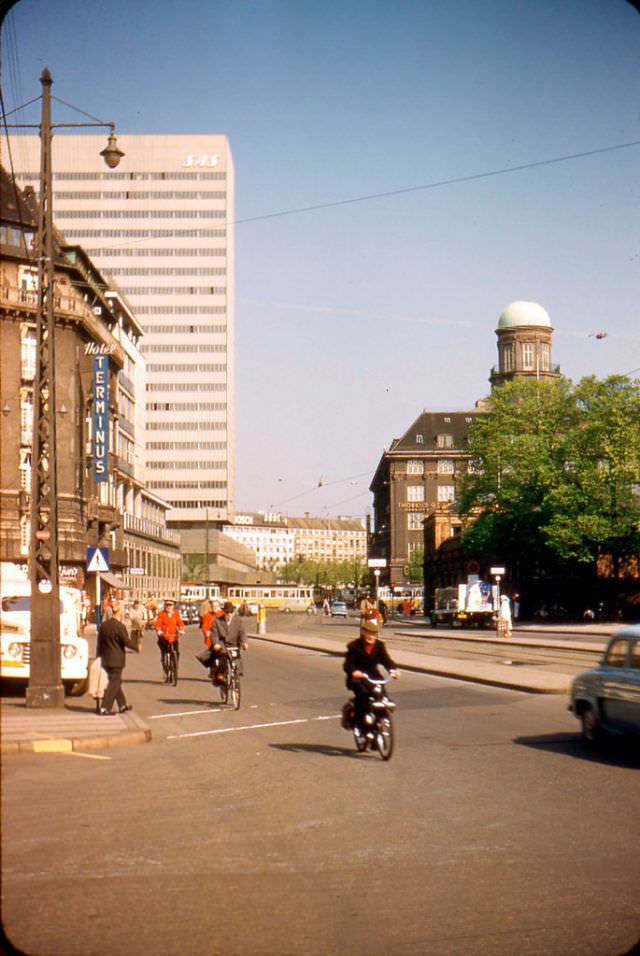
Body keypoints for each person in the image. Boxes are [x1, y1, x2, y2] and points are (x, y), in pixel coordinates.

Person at [343, 618, 400, 734]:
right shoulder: (354, 646)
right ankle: (359, 724)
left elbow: (386, 660)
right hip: (357, 678)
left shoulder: (379, 646)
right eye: (369, 633)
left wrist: (393, 670)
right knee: (363, 697)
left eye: (374, 634)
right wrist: (353, 671)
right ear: (363, 632)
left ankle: (381, 718)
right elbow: (348, 664)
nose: (371, 636)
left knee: (381, 695)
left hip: (373, 676)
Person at [96, 600, 141, 715]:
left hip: (106, 658)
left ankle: (122, 705)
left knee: (116, 681)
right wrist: (137, 647)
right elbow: (126, 641)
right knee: (114, 683)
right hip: (116, 659)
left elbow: (99, 643)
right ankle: (105, 707)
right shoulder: (120, 627)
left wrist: (99, 656)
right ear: (119, 611)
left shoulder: (104, 626)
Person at [210, 601, 248, 683]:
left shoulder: (238, 621)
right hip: (222, 645)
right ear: (224, 612)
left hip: (234, 645)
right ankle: (222, 677)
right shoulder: (217, 621)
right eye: (227, 612)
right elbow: (214, 634)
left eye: (231, 612)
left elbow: (242, 633)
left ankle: (236, 678)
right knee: (223, 660)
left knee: (237, 662)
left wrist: (244, 643)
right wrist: (216, 644)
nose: (229, 614)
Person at [155, 599, 185, 680]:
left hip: (174, 636)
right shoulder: (161, 614)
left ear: (173, 606)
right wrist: (159, 630)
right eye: (167, 605)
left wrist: (181, 629)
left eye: (170, 605)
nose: (168, 607)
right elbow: (158, 623)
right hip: (164, 637)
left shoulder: (176, 613)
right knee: (164, 652)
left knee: (176, 652)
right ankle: (165, 668)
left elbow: (180, 622)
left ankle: (174, 666)